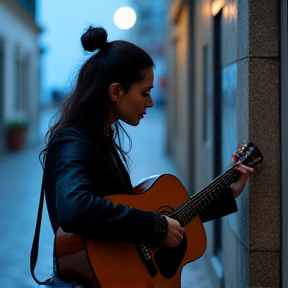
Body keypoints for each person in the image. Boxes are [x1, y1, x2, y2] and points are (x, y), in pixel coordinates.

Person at [32, 26, 254, 288]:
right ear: (115, 92)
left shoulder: (99, 140)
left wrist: (225, 194)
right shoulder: (73, 141)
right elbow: (74, 207)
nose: (150, 103)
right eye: (144, 93)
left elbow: (136, 221)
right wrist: (156, 226)